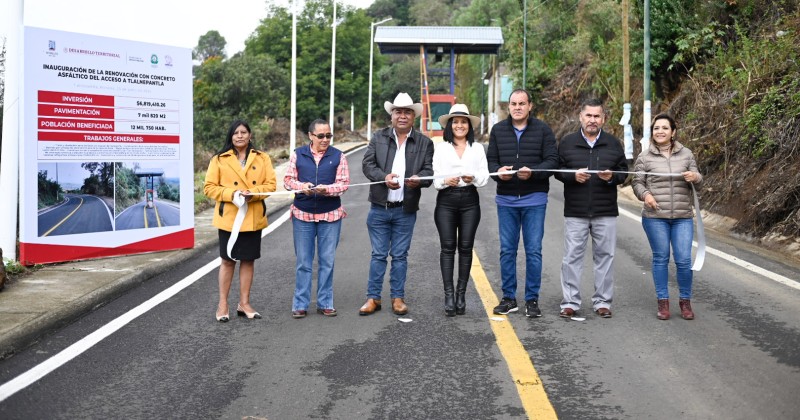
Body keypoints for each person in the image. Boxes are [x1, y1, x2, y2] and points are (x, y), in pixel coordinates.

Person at [359, 92, 434, 316]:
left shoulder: (425, 143)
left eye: (407, 112)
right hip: (379, 208)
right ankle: (373, 298)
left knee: (400, 255)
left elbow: (430, 173)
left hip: (406, 209)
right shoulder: (378, 137)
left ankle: (397, 298)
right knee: (378, 255)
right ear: (392, 115)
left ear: (414, 116)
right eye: (398, 112)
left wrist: (418, 180)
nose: (402, 116)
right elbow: (367, 165)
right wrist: (384, 177)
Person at [486, 89, 559, 318]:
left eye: (522, 103)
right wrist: (498, 173)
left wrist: (534, 172)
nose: (517, 107)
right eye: (513, 103)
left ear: (530, 106)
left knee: (533, 251)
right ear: (508, 106)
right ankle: (509, 298)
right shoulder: (498, 130)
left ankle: (532, 300)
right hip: (506, 199)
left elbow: (552, 161)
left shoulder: (543, 130)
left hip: (534, 199)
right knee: (507, 250)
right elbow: (490, 162)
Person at [555, 98, 628, 319]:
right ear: (580, 117)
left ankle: (602, 302)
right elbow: (556, 170)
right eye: (589, 116)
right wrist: (572, 175)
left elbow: (624, 173)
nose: (592, 120)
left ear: (603, 119)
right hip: (575, 211)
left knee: (605, 257)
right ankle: (570, 302)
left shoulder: (613, 143)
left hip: (605, 211)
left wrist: (611, 177)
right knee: (571, 258)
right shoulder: (567, 142)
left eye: (597, 116)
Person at [204, 120, 276, 322]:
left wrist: (253, 193)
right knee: (227, 260)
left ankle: (244, 303)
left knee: (248, 259)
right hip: (229, 217)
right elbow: (209, 187)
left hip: (252, 215)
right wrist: (232, 193)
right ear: (231, 136)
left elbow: (270, 185)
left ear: (250, 136)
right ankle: (223, 303)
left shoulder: (262, 158)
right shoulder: (219, 159)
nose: (240, 136)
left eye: (244, 132)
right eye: (236, 132)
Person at [632, 114, 702, 320]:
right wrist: (646, 196)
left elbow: (699, 181)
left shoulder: (686, 154)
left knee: (683, 260)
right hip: (655, 217)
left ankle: (685, 302)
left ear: (673, 132)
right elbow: (637, 183)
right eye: (656, 128)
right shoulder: (644, 157)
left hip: (682, 216)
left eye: (664, 128)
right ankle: (663, 302)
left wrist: (695, 177)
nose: (660, 131)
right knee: (661, 258)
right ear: (652, 132)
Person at [284, 119, 350, 319]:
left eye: (328, 135)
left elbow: (344, 183)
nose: (325, 139)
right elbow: (287, 181)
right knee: (304, 262)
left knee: (327, 261)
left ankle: (325, 302)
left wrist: (327, 190)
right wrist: (301, 185)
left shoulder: (339, 156)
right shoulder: (298, 154)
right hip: (303, 214)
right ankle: (300, 304)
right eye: (320, 136)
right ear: (310, 136)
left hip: (330, 214)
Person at [433, 104, 489, 316]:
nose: (459, 125)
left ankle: (461, 294)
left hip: (469, 200)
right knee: (448, 247)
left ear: (469, 125)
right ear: (449, 125)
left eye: (463, 122)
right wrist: (445, 180)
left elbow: (484, 176)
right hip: (446, 200)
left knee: (466, 248)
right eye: (455, 122)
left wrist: (472, 177)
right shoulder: (441, 148)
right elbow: (436, 179)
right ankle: (448, 295)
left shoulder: (477, 149)